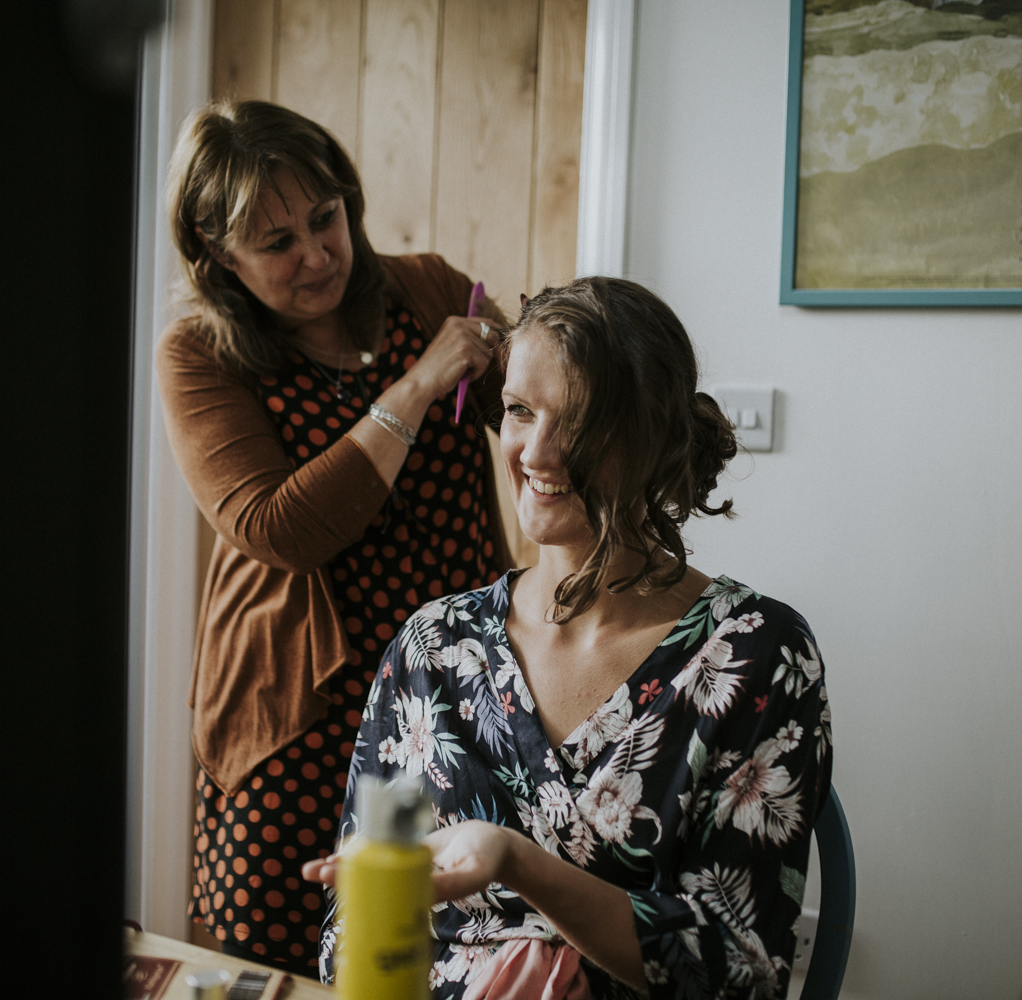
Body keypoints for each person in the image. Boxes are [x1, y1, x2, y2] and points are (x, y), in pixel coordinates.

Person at [306, 277, 834, 999]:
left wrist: (518, 864)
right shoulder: (433, 648)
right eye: (519, 411)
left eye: (580, 422)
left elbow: (740, 974)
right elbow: (347, 938)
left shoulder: (757, 656)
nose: (535, 452)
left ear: (652, 437)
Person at [157, 99, 515, 973]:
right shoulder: (200, 356)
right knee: (275, 962)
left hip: (449, 702)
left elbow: (542, 430)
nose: (317, 254)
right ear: (215, 251)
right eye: (277, 242)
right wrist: (420, 384)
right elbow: (281, 527)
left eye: (326, 218)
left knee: (434, 958)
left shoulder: (427, 288)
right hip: (296, 712)